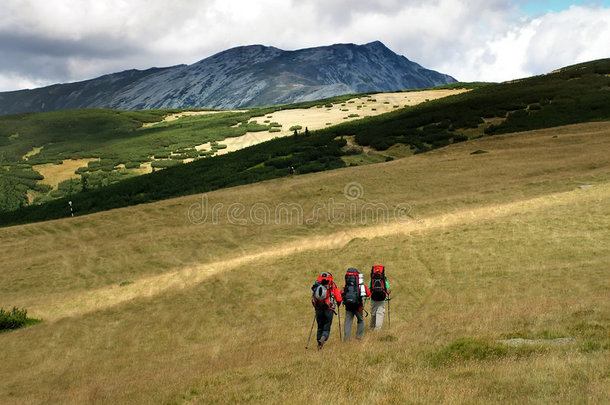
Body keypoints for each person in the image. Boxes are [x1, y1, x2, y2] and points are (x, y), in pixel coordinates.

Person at [311, 272, 342, 349]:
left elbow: (313, 298)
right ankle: (323, 339)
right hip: (329, 309)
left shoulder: (317, 285)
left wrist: (315, 307)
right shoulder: (332, 285)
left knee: (319, 327)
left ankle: (319, 343)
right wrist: (338, 303)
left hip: (318, 309)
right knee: (326, 327)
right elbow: (339, 298)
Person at [341, 268, 371, 340]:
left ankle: (346, 339)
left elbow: (341, 293)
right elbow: (368, 293)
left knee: (348, 321)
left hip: (348, 306)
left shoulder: (347, 286)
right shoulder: (360, 285)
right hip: (358, 306)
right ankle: (359, 337)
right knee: (360, 320)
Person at [369, 265, 391, 330]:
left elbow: (369, 289)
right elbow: (388, 291)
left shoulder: (372, 280)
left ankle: (371, 328)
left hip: (373, 299)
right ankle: (377, 329)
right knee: (380, 313)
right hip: (382, 299)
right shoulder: (384, 281)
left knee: (373, 313)